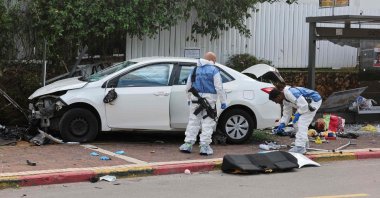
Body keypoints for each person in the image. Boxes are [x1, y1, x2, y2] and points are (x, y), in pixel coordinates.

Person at [179, 52, 227, 155]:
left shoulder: (195, 69)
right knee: (207, 123)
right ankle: (204, 147)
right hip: (209, 101)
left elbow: (188, 87)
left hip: (195, 100)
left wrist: (188, 99)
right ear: (212, 60)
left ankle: (188, 145)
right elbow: (219, 87)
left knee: (193, 121)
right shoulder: (214, 70)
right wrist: (223, 101)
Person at [268, 86, 322, 154]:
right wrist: (283, 123)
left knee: (302, 123)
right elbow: (287, 113)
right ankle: (303, 143)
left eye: (275, 100)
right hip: (306, 104)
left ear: (279, 96)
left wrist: (298, 114)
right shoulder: (285, 99)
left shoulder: (291, 93)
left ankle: (300, 147)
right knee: (295, 122)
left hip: (314, 101)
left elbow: (304, 106)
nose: (276, 102)